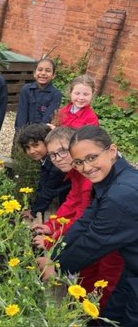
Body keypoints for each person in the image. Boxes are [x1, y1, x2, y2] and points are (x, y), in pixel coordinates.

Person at [33, 126, 123, 308]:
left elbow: (83, 219)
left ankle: (92, 313)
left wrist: (52, 242)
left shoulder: (90, 175)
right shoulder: (77, 171)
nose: (58, 159)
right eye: (53, 155)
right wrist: (52, 225)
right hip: (95, 238)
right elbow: (73, 202)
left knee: (102, 281)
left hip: (109, 244)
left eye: (63, 151)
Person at [56, 126, 138, 325]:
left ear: (111, 151)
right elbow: (85, 221)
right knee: (110, 316)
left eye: (92, 157)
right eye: (78, 162)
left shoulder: (122, 194)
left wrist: (57, 268)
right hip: (133, 268)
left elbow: (94, 242)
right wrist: (55, 255)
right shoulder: (112, 179)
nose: (86, 167)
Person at [16, 124, 70, 218]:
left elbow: (49, 190)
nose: (32, 151)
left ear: (47, 142)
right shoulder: (46, 159)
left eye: (36, 145)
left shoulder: (57, 165)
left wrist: (35, 212)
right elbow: (43, 183)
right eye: (27, 148)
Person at [14, 56, 63, 131]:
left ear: (53, 75)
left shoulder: (56, 94)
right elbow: (21, 115)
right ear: (34, 73)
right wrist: (20, 133)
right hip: (23, 133)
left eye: (48, 70)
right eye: (40, 70)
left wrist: (37, 135)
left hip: (42, 135)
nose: (43, 73)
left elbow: (48, 118)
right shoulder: (26, 90)